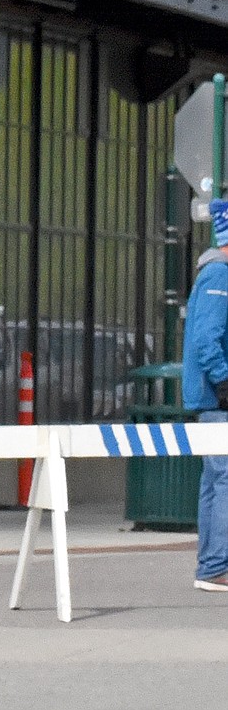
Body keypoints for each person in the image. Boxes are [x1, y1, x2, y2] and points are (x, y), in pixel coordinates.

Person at [183, 197, 228, 592]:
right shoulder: (219, 276)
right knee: (224, 477)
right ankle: (215, 566)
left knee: (217, 479)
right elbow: (207, 339)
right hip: (217, 400)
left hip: (214, 398)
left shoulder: (214, 274)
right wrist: (225, 382)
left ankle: (212, 564)